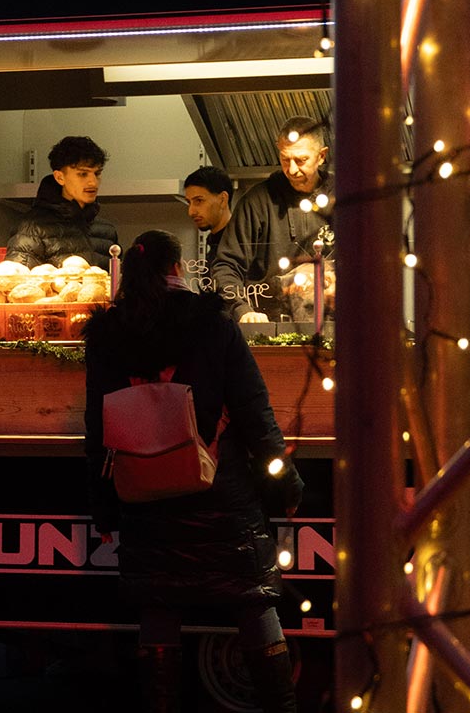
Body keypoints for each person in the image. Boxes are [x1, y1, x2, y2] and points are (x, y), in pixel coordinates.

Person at [83, 230, 304, 713]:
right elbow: (253, 411)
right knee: (253, 602)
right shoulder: (213, 326)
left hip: (144, 495)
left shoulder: (108, 333)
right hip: (221, 494)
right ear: (178, 268)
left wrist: (102, 509)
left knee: (158, 606)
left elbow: (96, 429)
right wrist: (285, 483)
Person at [211, 115, 335, 323]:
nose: (292, 169)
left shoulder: (342, 199)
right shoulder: (257, 202)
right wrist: (242, 309)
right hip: (269, 326)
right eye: (285, 159)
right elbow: (226, 265)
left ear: (322, 156)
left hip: (336, 328)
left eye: (301, 160)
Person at [3, 135, 119, 269]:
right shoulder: (32, 229)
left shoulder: (106, 230)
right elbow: (20, 284)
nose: (93, 182)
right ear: (60, 177)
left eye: (97, 173)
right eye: (83, 174)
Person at [183, 164, 234, 262]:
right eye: (189, 202)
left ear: (223, 200)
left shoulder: (240, 246)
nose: (191, 212)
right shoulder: (215, 242)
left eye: (199, 201)